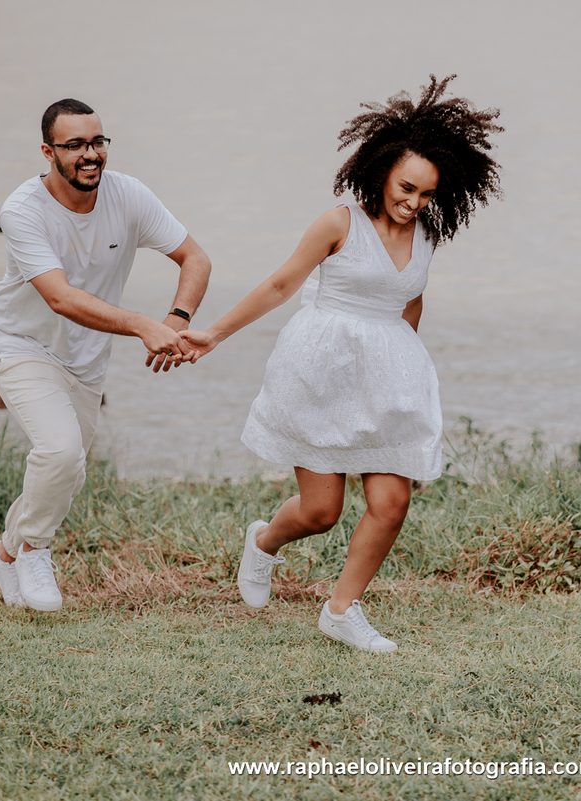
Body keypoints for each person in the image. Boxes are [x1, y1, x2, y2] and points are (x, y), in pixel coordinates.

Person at [180, 75, 501, 652]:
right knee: (322, 511)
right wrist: (213, 335)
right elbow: (281, 285)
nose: (413, 203)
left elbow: (411, 300)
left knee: (392, 502)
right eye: (406, 188)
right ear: (381, 171)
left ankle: (341, 610)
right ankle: (263, 544)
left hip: (387, 380)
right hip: (321, 372)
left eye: (426, 195)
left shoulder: (426, 235)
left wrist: (405, 375)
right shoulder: (339, 224)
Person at [0, 98, 211, 612]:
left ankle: (4, 552)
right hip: (21, 344)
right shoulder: (22, 209)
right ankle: (35, 551)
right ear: (48, 152)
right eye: (75, 145)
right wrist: (141, 325)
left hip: (85, 360)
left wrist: (176, 321)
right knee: (60, 452)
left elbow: (195, 257)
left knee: (67, 468)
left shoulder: (128, 195)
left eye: (97, 142)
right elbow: (60, 299)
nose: (90, 154)